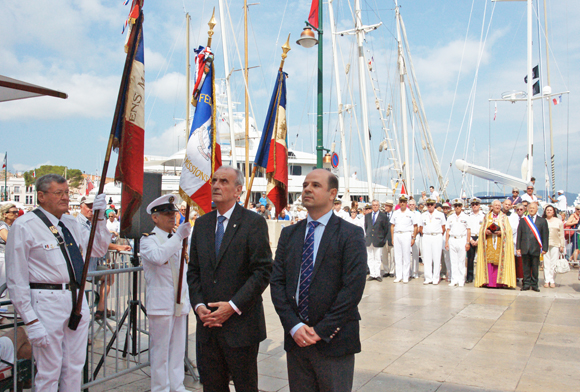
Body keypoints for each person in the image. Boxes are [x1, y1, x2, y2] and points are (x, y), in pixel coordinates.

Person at [6, 174, 111, 391]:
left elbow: (99, 248)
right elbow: (16, 278)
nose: (65, 198)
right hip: (46, 300)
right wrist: (31, 321)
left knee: (74, 367)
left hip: (76, 299)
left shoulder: (70, 223)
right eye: (59, 193)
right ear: (41, 196)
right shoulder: (25, 225)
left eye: (67, 193)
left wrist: (99, 219)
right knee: (49, 370)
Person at [270, 169, 367, 392]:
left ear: (332, 194)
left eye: (315, 185)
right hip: (297, 341)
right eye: (305, 185)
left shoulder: (350, 234)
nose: (307, 189)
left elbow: (353, 288)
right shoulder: (289, 234)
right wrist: (294, 326)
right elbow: (277, 283)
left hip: (334, 340)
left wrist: (322, 330)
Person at [187, 167, 272, 392]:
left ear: (238, 191)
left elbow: (262, 272)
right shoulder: (202, 225)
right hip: (207, 328)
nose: (216, 185)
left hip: (241, 328)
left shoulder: (253, 223)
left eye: (224, 181)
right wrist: (198, 306)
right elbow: (193, 271)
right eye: (214, 180)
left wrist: (232, 307)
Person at [141, 195, 192, 392]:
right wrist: (179, 237)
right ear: (155, 218)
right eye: (167, 214)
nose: (172, 217)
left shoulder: (176, 239)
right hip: (161, 304)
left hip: (179, 302)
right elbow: (158, 257)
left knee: (178, 350)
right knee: (160, 352)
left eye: (174, 213)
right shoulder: (149, 240)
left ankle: (177, 386)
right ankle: (161, 388)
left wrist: (179, 238)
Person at [77, 195, 131, 321]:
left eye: (93, 207)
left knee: (108, 275)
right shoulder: (79, 224)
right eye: (89, 206)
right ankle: (100, 309)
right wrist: (117, 246)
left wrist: (117, 247)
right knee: (108, 276)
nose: (91, 209)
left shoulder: (92, 222)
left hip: (91, 265)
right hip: (82, 268)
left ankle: (101, 308)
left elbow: (101, 244)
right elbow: (95, 245)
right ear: (81, 207)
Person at [475, 200, 517, 289]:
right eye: (496, 205)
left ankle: (499, 283)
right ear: (492, 207)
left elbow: (509, 230)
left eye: (499, 205)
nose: (497, 207)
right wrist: (485, 231)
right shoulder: (487, 217)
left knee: (499, 262)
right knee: (489, 262)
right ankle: (489, 282)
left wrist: (501, 232)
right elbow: (481, 229)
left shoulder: (504, 217)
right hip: (489, 242)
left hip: (500, 243)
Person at [516, 202, 549, 292]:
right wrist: (518, 247)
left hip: (536, 248)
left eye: (533, 208)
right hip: (525, 247)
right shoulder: (523, 220)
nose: (531, 209)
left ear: (537, 209)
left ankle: (534, 285)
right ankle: (526, 284)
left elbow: (545, 235)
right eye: (530, 208)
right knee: (525, 268)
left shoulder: (542, 221)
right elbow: (519, 234)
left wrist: (545, 248)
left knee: (535, 268)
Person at [390, 195, 418, 283]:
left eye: (404, 202)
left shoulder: (411, 213)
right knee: (397, 256)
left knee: (406, 256)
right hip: (397, 234)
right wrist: (392, 238)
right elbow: (392, 226)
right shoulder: (395, 213)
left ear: (406, 203)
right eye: (401, 202)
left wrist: (413, 237)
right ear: (399, 202)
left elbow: (415, 226)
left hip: (406, 234)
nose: (402, 203)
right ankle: (398, 276)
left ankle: (406, 276)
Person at [418, 198, 445, 285]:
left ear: (434, 205)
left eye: (431, 204)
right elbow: (420, 227)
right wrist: (425, 234)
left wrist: (438, 234)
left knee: (436, 258)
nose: (429, 206)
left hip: (436, 236)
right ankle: (428, 277)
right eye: (428, 204)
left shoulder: (440, 214)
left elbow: (443, 227)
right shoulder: (423, 215)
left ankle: (436, 277)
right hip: (426, 236)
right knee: (427, 257)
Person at [445, 199, 470, 287]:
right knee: (453, 260)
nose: (457, 207)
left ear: (462, 206)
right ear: (453, 207)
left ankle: (461, 279)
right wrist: (446, 242)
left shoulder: (466, 217)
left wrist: (468, 242)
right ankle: (454, 279)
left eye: (459, 205)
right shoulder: (450, 217)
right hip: (452, 239)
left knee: (461, 261)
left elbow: (468, 230)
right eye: (456, 206)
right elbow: (448, 230)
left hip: (461, 239)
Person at [364, 200, 389, 282]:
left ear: (379, 206)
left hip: (378, 240)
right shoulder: (367, 216)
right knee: (370, 258)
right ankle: (372, 274)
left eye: (376, 205)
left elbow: (386, 229)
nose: (375, 206)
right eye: (373, 205)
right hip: (369, 240)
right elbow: (366, 227)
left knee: (378, 258)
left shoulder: (383, 216)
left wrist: (383, 239)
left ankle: (377, 274)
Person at [541, 205, 565, 288]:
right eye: (547, 210)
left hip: (555, 243)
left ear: (553, 212)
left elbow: (561, 234)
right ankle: (546, 280)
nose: (549, 211)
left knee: (553, 263)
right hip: (545, 244)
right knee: (546, 262)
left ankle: (552, 280)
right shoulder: (543, 220)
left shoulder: (558, 221)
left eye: (550, 210)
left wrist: (562, 245)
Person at [0, 203, 19, 289]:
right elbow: (9, 240)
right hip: (2, 257)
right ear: (5, 214)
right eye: (14, 212)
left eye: (17, 212)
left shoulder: (11, 226)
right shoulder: (2, 225)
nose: (16, 214)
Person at [466, 198, 484, 283]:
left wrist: (479, 240)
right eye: (473, 205)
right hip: (471, 237)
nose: (475, 206)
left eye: (476, 204)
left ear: (479, 205)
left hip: (480, 237)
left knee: (481, 258)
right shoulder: (468, 216)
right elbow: (466, 229)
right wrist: (470, 240)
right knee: (470, 259)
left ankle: (481, 276)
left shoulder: (483, 216)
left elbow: (484, 228)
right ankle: (469, 276)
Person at [509, 203, 526, 281]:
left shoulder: (526, 219)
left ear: (524, 210)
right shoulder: (512, 217)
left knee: (523, 261)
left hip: (522, 241)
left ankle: (523, 276)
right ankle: (514, 276)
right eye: (517, 210)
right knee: (514, 260)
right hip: (513, 240)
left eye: (521, 209)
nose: (519, 211)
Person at [408, 199, 422, 279]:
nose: (412, 206)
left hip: (416, 236)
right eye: (410, 204)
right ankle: (408, 272)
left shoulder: (418, 214)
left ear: (415, 205)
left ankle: (415, 272)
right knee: (407, 255)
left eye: (413, 204)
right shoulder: (406, 213)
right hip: (407, 235)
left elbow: (419, 226)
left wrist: (414, 235)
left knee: (415, 255)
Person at [381, 200, 395, 278]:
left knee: (393, 256)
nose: (385, 207)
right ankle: (386, 270)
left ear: (391, 207)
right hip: (384, 238)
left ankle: (392, 270)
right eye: (385, 205)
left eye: (387, 206)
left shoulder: (395, 215)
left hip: (392, 238)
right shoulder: (383, 215)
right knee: (384, 256)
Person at [441, 202, 452, 282]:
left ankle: (451, 274)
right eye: (444, 208)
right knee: (445, 258)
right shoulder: (441, 215)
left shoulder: (451, 216)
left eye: (446, 208)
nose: (445, 209)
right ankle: (446, 272)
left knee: (452, 258)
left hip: (451, 238)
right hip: (443, 238)